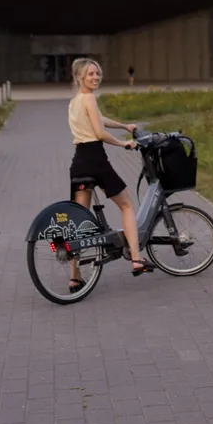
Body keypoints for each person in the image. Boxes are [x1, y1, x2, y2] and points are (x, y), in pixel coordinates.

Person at [67, 57, 151, 285]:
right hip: (96, 159)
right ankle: (136, 258)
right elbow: (100, 132)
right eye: (90, 74)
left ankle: (74, 277)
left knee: (80, 220)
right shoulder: (89, 98)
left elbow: (99, 119)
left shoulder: (75, 101)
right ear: (80, 77)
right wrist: (124, 143)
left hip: (78, 163)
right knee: (126, 205)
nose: (95, 77)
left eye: (97, 73)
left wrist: (124, 125)